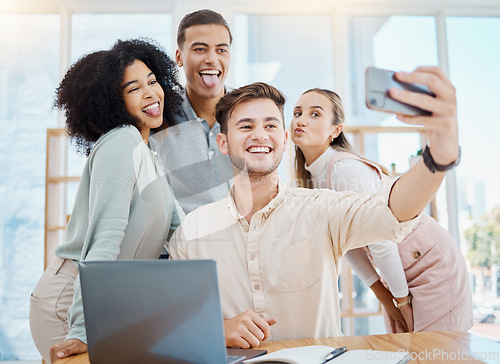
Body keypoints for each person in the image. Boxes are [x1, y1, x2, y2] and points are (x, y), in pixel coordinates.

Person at [169, 66, 461, 348]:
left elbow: (392, 211)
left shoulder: (322, 209)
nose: (260, 135)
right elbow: (173, 323)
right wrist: (216, 331)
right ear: (223, 142)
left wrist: (440, 153)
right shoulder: (192, 231)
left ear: (284, 140)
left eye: (270, 125)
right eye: (246, 126)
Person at [29, 39, 184, 362]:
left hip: (109, 301)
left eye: (153, 82)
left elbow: (179, 232)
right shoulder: (121, 142)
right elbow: (105, 240)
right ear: (112, 102)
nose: (150, 93)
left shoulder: (150, 154)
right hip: (73, 303)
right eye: (133, 89)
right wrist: (84, 329)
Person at [291, 88, 473, 333]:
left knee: (434, 355)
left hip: (430, 264)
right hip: (400, 272)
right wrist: (384, 295)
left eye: (315, 114)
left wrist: (400, 300)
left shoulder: (344, 170)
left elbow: (380, 238)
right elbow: (348, 243)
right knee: (412, 354)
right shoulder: (314, 179)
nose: (301, 120)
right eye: (297, 112)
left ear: (336, 130)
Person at [149, 9, 234, 215]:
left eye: (221, 50)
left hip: (239, 239)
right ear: (179, 57)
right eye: (200, 49)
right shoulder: (158, 113)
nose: (212, 59)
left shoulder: (247, 111)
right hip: (178, 242)